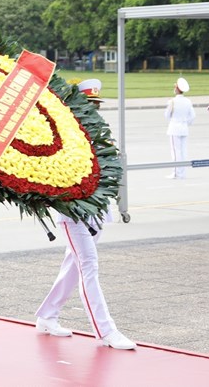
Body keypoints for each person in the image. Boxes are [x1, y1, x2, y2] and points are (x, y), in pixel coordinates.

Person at [34, 79, 137, 351]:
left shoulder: (99, 135)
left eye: (96, 105)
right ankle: (105, 331)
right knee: (88, 265)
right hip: (72, 214)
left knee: (73, 266)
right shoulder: (61, 137)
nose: (94, 110)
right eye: (88, 105)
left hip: (96, 213)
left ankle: (46, 315)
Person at [164, 77, 195, 179]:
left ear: (177, 89)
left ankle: (177, 173)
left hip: (174, 128)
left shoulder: (172, 102)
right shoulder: (188, 101)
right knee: (183, 151)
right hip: (184, 127)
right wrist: (186, 123)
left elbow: (167, 115)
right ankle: (183, 172)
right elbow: (192, 117)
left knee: (175, 151)